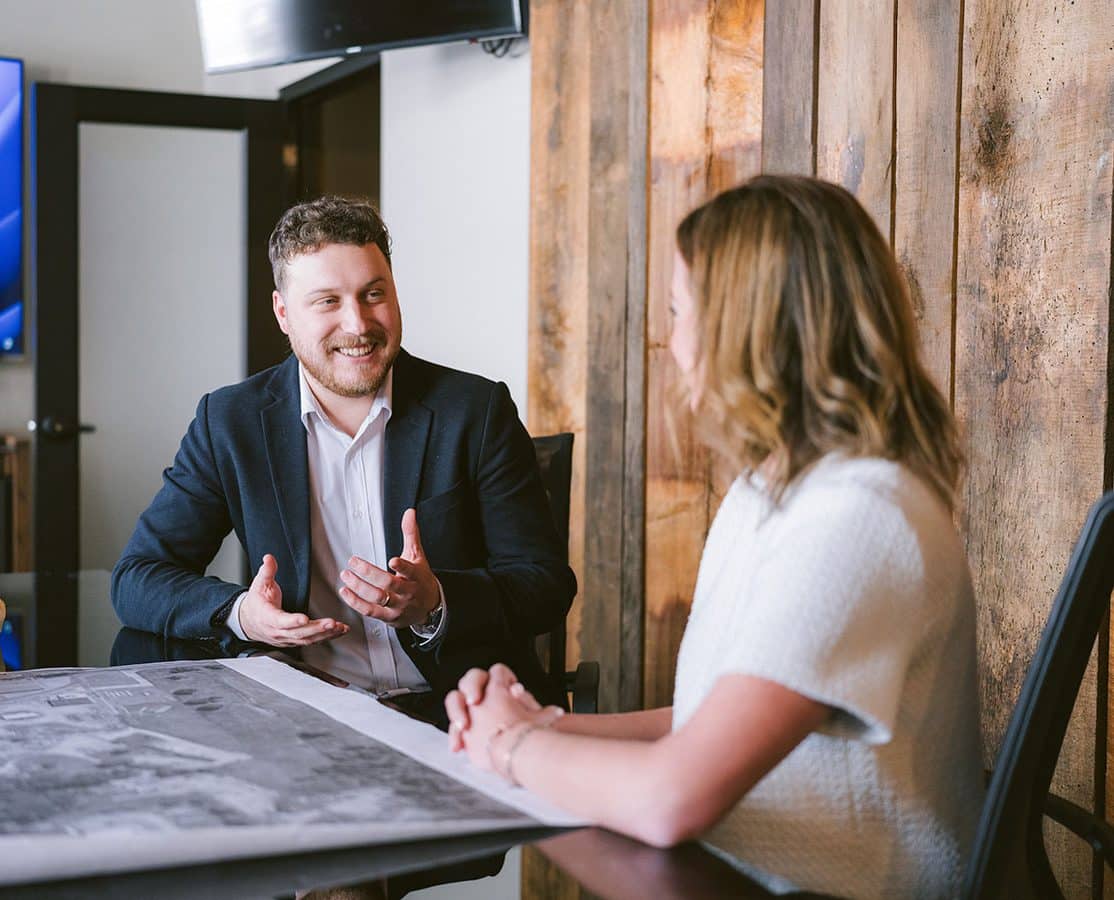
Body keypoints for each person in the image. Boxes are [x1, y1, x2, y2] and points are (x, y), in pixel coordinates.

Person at [444, 175, 985, 898]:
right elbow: (707, 719)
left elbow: (674, 798)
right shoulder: (769, 493)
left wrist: (512, 746)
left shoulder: (857, 518)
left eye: (679, 311)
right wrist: (540, 724)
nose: (670, 342)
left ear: (747, 330)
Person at [112, 196, 576, 711]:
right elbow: (138, 577)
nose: (358, 325)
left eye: (373, 294)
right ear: (283, 314)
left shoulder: (476, 410)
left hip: (462, 714)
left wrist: (435, 600)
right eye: (328, 301)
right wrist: (243, 614)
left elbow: (545, 585)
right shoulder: (230, 422)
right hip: (309, 718)